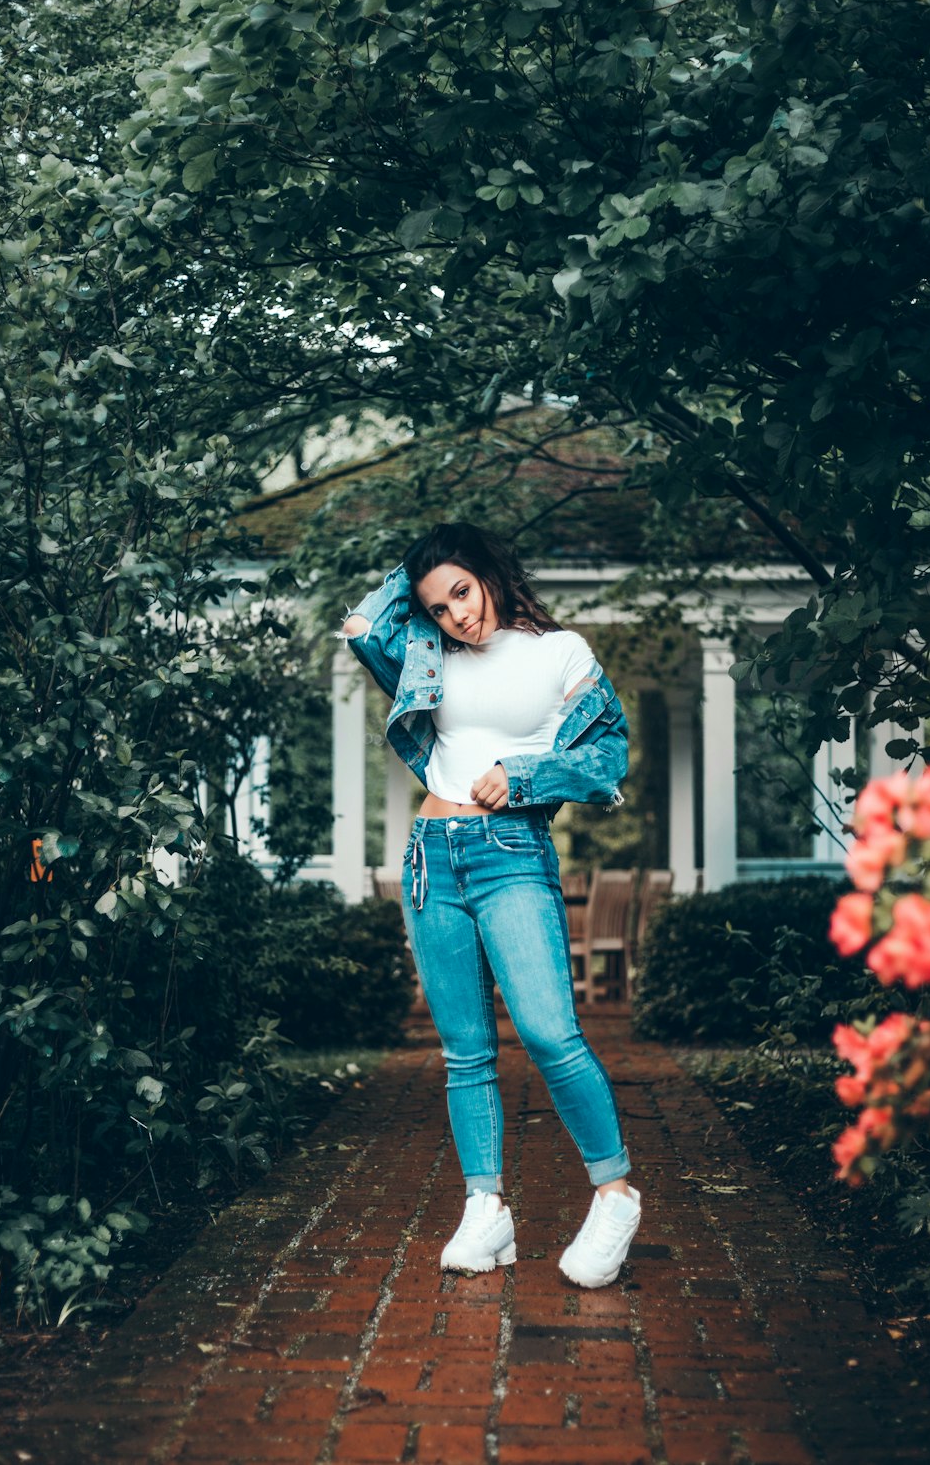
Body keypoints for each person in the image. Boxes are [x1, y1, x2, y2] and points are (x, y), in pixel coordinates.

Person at [341, 523, 640, 1288]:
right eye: (437, 607)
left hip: (510, 857)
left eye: (463, 592)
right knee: (465, 1051)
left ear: (490, 573)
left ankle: (614, 1193)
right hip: (429, 862)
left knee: (549, 1032)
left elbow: (607, 753)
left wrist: (526, 777)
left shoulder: (559, 653)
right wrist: (416, 565)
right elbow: (368, 622)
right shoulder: (426, 654)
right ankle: (487, 1210)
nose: (456, 617)